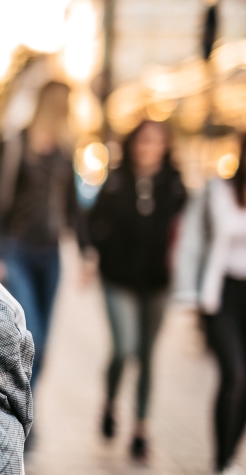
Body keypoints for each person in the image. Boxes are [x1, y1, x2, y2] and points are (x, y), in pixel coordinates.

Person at [86, 120, 187, 461]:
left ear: (165, 146)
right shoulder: (116, 181)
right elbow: (93, 222)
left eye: (156, 142)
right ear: (133, 145)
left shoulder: (174, 185)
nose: (148, 148)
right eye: (143, 142)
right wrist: (92, 255)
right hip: (118, 280)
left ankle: (140, 429)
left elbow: (188, 232)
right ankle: (111, 402)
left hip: (157, 285)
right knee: (124, 348)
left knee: (147, 356)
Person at [0, 81, 88, 396]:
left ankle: (27, 406)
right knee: (33, 336)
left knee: (44, 345)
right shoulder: (16, 144)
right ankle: (16, 402)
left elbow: (73, 207)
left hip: (51, 255)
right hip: (16, 251)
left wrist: (87, 252)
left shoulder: (64, 152)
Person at [175, 136, 246, 475]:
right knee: (233, 373)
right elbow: (192, 241)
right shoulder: (217, 192)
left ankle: (231, 455)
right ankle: (221, 459)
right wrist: (190, 294)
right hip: (223, 296)